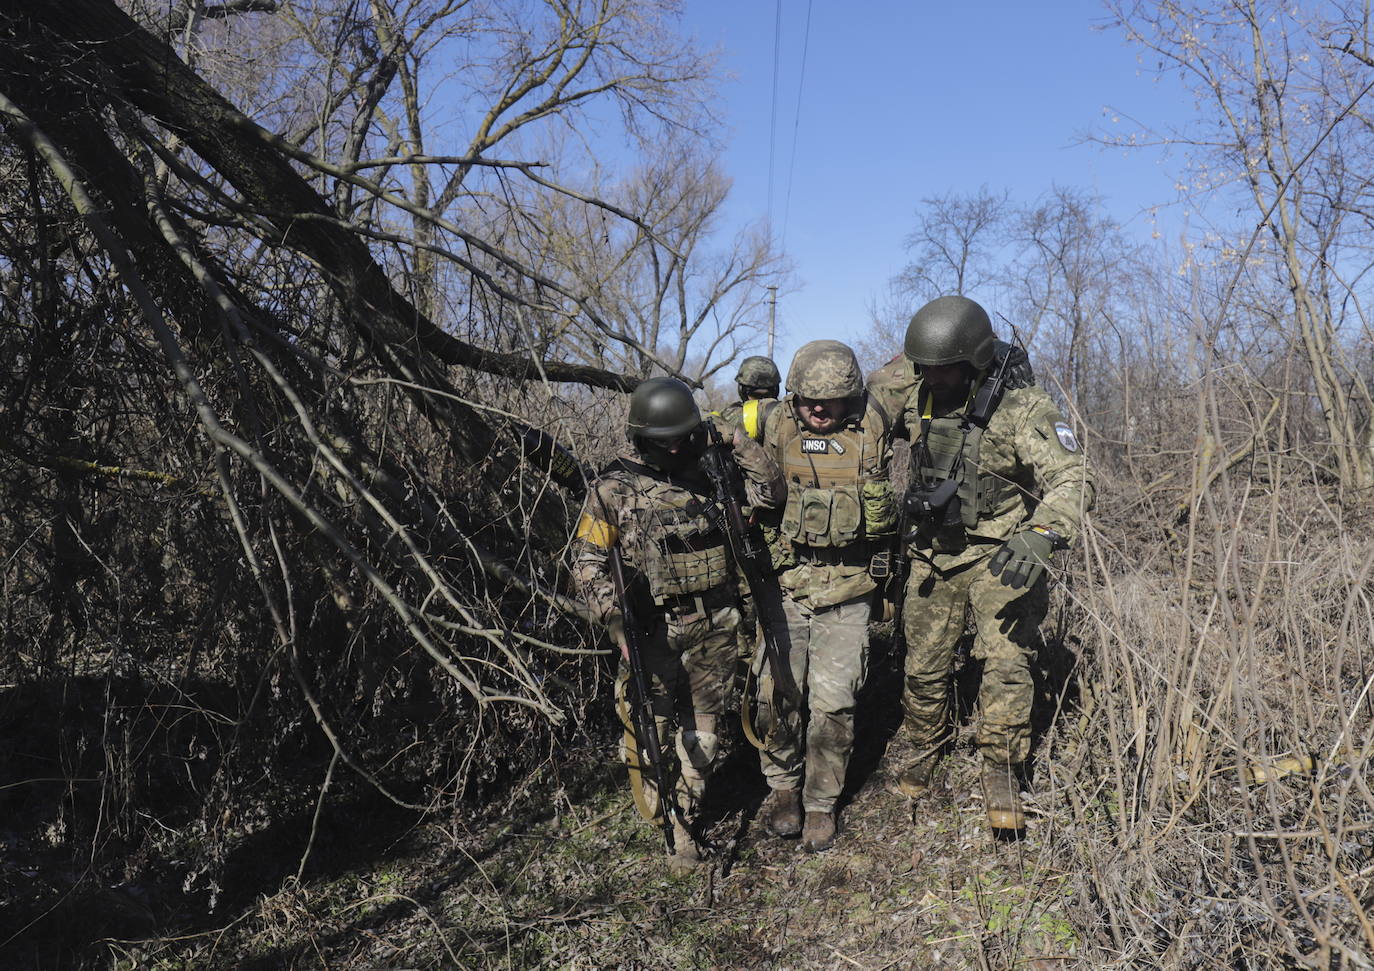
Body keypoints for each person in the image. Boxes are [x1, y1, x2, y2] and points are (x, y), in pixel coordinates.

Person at [891, 295, 1094, 831]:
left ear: (975, 361)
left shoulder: (1024, 409)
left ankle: (1002, 769)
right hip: (934, 553)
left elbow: (1074, 477)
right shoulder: (915, 396)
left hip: (1002, 555)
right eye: (925, 368)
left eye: (946, 369)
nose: (933, 378)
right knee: (923, 668)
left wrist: (1043, 533)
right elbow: (854, 408)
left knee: (1007, 667)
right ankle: (923, 749)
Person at [571, 377, 784, 869]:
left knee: (703, 732)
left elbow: (771, 496)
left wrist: (739, 443)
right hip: (649, 630)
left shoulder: (713, 469)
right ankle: (657, 805)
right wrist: (615, 621)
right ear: (639, 437)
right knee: (651, 724)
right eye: (661, 439)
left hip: (716, 622)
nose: (672, 447)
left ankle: (684, 820)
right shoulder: (614, 488)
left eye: (680, 436)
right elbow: (584, 562)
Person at [751, 340, 896, 852]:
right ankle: (783, 789)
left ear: (851, 397)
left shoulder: (874, 421)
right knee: (776, 698)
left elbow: (923, 368)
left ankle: (819, 803)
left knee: (834, 705)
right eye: (808, 399)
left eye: (829, 400)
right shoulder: (771, 423)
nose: (817, 409)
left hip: (850, 587)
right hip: (787, 585)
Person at [718, 355, 781, 441]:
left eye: (765, 396)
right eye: (756, 396)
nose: (760, 403)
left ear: (741, 390)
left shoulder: (729, 417)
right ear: (776, 390)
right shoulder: (788, 415)